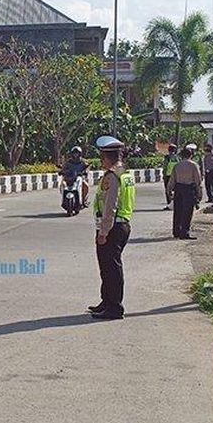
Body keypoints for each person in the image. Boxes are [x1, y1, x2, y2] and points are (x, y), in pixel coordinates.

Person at [88, 136, 136, 320]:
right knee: (107, 267)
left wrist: (104, 232)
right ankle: (106, 301)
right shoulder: (125, 173)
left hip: (113, 226)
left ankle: (114, 307)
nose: (101, 161)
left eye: (101, 157)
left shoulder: (112, 176)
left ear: (106, 157)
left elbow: (110, 206)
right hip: (122, 224)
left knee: (111, 268)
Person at [168, 148, 203, 239]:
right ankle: (184, 232)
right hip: (189, 189)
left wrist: (169, 190)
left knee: (178, 211)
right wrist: (199, 193)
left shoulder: (177, 165)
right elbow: (198, 181)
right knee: (187, 212)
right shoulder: (193, 165)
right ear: (191, 155)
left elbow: (172, 180)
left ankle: (176, 231)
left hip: (179, 188)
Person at [162, 144, 179, 210]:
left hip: (168, 176)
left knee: (168, 190)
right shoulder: (178, 158)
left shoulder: (167, 157)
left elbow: (165, 167)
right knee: (175, 190)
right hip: (176, 176)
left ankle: (169, 204)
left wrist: (164, 175)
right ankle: (175, 204)